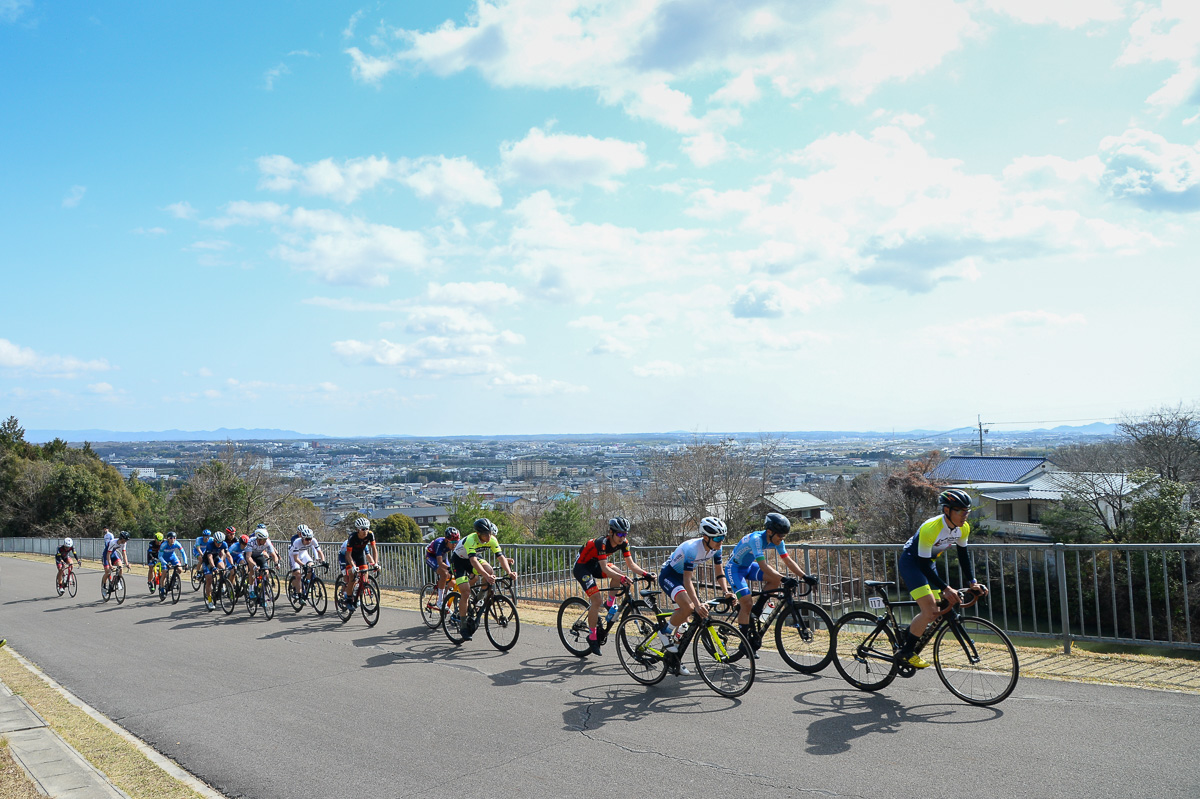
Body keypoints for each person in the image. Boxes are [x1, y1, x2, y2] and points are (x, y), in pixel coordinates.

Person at [895, 489, 987, 668]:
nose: (964, 515)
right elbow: (921, 564)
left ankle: (907, 635)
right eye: (960, 511)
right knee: (929, 611)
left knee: (939, 608)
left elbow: (963, 556)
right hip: (913, 564)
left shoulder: (963, 528)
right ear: (947, 510)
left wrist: (973, 583)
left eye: (966, 511)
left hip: (929, 564)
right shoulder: (931, 528)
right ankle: (907, 651)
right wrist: (946, 587)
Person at [724, 513, 818, 655]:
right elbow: (763, 566)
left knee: (774, 579)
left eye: (783, 536)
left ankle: (758, 608)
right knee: (747, 603)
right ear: (769, 532)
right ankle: (744, 642)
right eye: (780, 536)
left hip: (748, 566)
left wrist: (804, 576)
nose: (781, 539)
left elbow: (787, 560)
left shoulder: (777, 539)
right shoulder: (756, 539)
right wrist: (784, 579)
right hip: (735, 569)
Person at [572, 517, 652, 656]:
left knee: (619, 572)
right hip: (582, 567)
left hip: (596, 565)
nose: (622, 537)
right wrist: (621, 578)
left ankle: (610, 604)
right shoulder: (601, 542)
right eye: (620, 534)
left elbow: (631, 564)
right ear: (611, 532)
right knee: (596, 600)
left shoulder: (624, 543)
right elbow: (605, 568)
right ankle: (592, 637)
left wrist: (646, 574)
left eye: (625, 534)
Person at [654, 517, 733, 655]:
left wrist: (726, 592)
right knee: (689, 607)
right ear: (705, 537)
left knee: (684, 625)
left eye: (722, 537)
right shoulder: (692, 548)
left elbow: (719, 573)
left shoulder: (717, 548)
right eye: (717, 538)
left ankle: (674, 659)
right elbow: (687, 579)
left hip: (683, 578)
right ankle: (664, 632)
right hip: (669, 576)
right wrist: (697, 605)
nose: (720, 541)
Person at [450, 518, 518, 640]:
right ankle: (463, 625)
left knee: (490, 569)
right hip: (459, 561)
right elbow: (473, 561)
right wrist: (486, 576)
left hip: (473, 557)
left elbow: (501, 557)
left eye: (490, 533)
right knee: (465, 592)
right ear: (478, 533)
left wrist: (509, 572)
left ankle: (478, 599)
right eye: (485, 534)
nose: (488, 536)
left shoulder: (492, 539)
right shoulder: (471, 540)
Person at [424, 527, 461, 613]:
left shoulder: (453, 544)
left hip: (443, 555)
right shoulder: (439, 543)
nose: (454, 544)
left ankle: (445, 594)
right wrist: (449, 568)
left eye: (456, 542)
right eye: (452, 542)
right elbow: (440, 563)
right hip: (431, 557)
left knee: (452, 577)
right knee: (444, 573)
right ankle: (440, 601)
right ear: (446, 540)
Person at [343, 517, 378, 608]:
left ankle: (358, 596)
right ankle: (349, 599)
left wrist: (375, 563)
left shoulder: (370, 535)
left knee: (364, 578)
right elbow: (348, 555)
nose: (365, 531)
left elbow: (374, 550)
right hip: (351, 556)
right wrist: (353, 566)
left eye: (367, 528)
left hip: (360, 555)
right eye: (363, 529)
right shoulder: (353, 537)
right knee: (352, 577)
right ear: (357, 530)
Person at [288, 524, 325, 599]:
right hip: (294, 556)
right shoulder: (296, 542)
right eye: (307, 539)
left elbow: (319, 551)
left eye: (310, 539)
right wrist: (303, 565)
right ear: (302, 537)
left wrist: (323, 561)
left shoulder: (313, 540)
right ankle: (298, 594)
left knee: (311, 567)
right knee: (298, 575)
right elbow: (296, 558)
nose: (309, 541)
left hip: (304, 553)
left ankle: (307, 583)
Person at [245, 525, 279, 601]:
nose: (265, 541)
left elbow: (273, 555)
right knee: (252, 570)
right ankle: (251, 590)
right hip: (250, 556)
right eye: (263, 540)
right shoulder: (251, 541)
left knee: (266, 573)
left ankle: (264, 590)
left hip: (259, 555)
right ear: (258, 539)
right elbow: (248, 557)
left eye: (265, 539)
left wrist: (276, 563)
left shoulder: (267, 542)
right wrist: (254, 565)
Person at [202, 530, 231, 610]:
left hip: (216, 558)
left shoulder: (224, 544)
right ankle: (210, 601)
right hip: (207, 561)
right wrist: (213, 567)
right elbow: (210, 557)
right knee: (209, 579)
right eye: (217, 542)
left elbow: (228, 555)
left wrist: (232, 565)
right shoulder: (210, 544)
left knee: (223, 568)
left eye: (221, 542)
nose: (219, 544)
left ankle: (221, 583)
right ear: (214, 540)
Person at [157, 532, 188, 599]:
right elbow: (160, 556)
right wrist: (165, 563)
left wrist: (186, 563)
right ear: (167, 539)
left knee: (179, 569)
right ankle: (162, 589)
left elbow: (183, 553)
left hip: (172, 557)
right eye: (171, 538)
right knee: (164, 573)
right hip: (164, 559)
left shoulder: (177, 543)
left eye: (174, 538)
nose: (173, 539)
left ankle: (174, 577)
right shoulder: (164, 545)